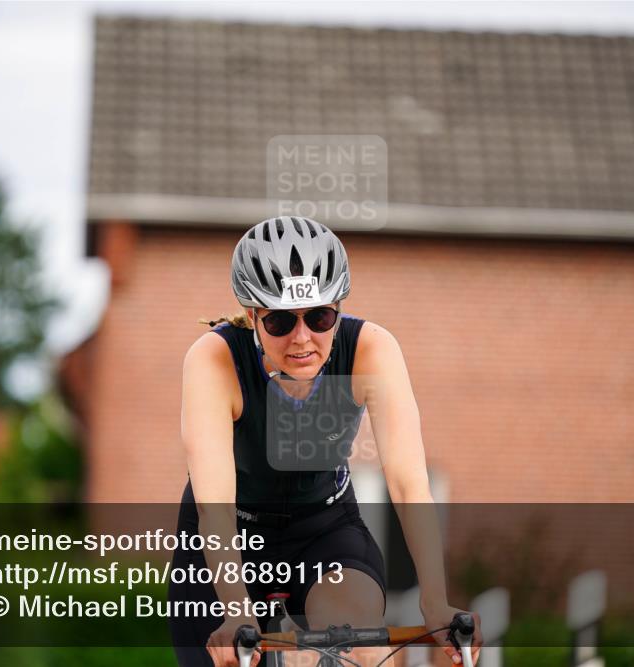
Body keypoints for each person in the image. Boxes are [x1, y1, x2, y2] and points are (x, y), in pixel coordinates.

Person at [169, 217, 481, 666]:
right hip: (230, 532)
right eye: (279, 321)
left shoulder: (372, 349)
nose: (302, 338)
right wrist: (236, 611)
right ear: (253, 315)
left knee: (353, 643)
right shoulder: (213, 359)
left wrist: (435, 601)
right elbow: (214, 505)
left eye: (319, 317)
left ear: (339, 307)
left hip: (324, 528)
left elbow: (410, 484)